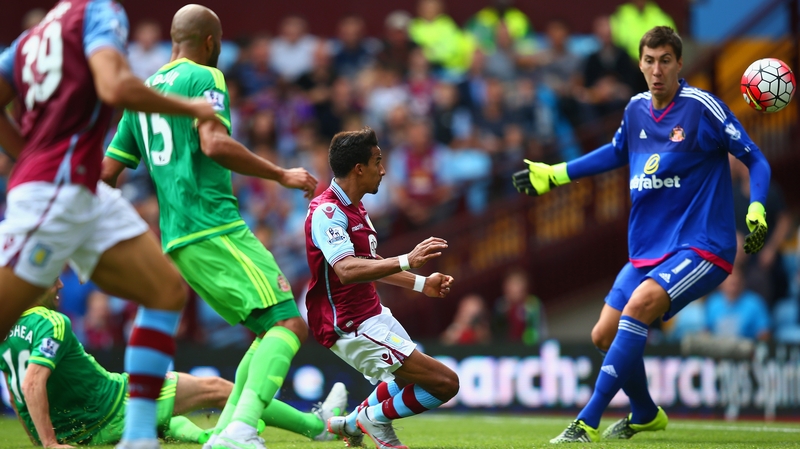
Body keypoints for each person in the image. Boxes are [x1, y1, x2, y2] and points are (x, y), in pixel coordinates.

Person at [512, 26, 771, 442]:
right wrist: (557, 174)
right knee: (603, 334)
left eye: (665, 61)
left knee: (639, 306)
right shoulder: (634, 109)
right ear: (640, 63)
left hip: (703, 245)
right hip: (649, 249)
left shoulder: (702, 108)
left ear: (679, 64)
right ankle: (646, 412)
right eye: (649, 61)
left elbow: (755, 159)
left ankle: (586, 422)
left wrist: (756, 205)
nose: (656, 70)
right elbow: (618, 151)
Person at [100, 6, 331, 449]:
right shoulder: (205, 76)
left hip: (178, 239)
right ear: (209, 41)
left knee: (270, 328)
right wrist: (281, 174)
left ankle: (228, 430)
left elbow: (108, 173)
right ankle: (241, 431)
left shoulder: (145, 94)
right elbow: (214, 143)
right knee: (288, 325)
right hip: (215, 226)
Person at [0, 1, 219, 448]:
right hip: (56, 188)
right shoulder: (97, 12)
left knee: (164, 291)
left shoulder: (28, 40)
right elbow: (115, 86)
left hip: (77, 183)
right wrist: (190, 106)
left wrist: (27, 153)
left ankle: (138, 437)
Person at [0, 282, 350, 447]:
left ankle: (209, 438)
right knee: (220, 390)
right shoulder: (50, 321)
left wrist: (44, 441)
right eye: (52, 279)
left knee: (170, 424)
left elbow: (17, 395)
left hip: (79, 434)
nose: (60, 284)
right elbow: (32, 383)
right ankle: (314, 426)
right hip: (115, 402)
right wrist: (48, 445)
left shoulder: (5, 330)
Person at [304, 128, 459, 448]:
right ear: (359, 169)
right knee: (445, 383)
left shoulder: (357, 208)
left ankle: (350, 423)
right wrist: (407, 260)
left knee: (406, 379)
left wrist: (421, 284)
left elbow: (369, 262)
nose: (384, 170)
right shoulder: (327, 212)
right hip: (349, 323)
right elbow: (346, 270)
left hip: (372, 313)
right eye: (378, 162)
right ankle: (371, 420)